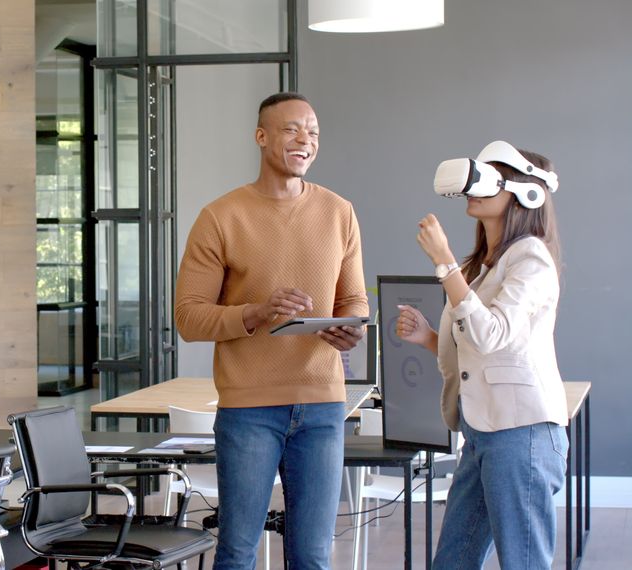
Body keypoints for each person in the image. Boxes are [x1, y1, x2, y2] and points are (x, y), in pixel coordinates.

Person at [175, 92, 368, 569]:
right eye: (292, 129)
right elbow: (189, 317)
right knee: (238, 550)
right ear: (261, 137)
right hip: (249, 408)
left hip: (323, 405)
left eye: (314, 132)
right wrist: (256, 313)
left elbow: (354, 301)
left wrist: (350, 328)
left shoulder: (339, 212)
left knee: (313, 554)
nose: (306, 139)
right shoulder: (220, 217)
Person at [396, 141, 568, 569]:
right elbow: (478, 351)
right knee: (452, 561)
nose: (474, 188)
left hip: (522, 433)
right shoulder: (484, 265)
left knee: (524, 563)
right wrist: (430, 338)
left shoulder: (532, 259)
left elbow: (492, 335)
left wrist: (444, 262)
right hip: (481, 432)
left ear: (525, 193)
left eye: (489, 179)